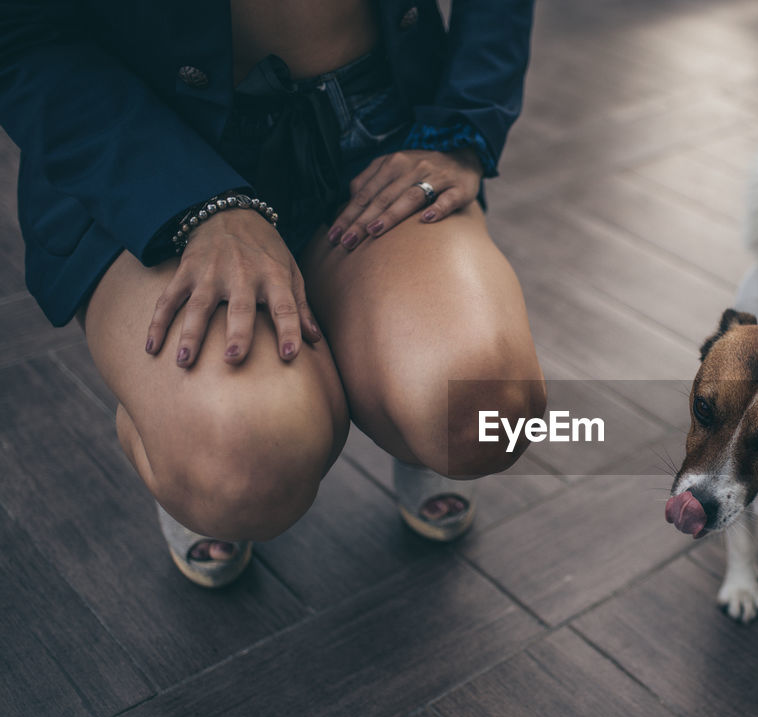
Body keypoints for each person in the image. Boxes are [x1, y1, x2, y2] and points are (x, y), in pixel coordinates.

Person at [0, 0, 546, 587]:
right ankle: (179, 422)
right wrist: (194, 203)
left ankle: (399, 403)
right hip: (154, 135)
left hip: (374, 129)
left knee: (484, 413)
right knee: (239, 468)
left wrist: (463, 126)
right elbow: (22, 32)